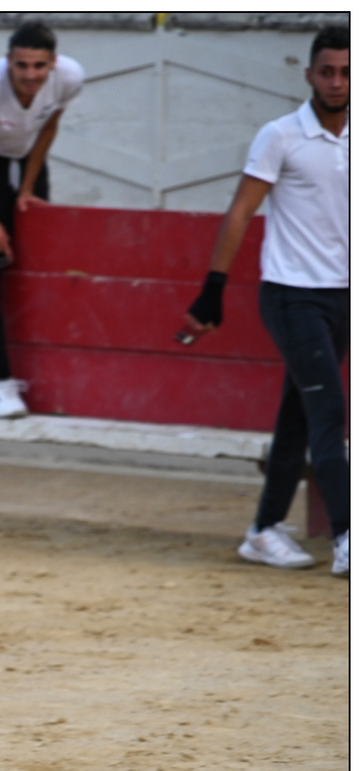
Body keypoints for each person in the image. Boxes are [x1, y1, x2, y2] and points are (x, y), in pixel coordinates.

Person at [182, 25, 348, 577]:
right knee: (329, 412)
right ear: (308, 74)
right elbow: (239, 212)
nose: (336, 82)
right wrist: (214, 285)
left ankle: (263, 530)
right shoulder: (280, 136)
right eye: (327, 71)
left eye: (347, 72)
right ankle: (348, 536)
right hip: (292, 295)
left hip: (346, 297)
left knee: (300, 414)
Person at [0, 20, 85, 419]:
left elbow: (50, 127)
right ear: (8, 61)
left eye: (38, 66)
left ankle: (52, 371)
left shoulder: (71, 77)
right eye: (22, 65)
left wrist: (28, 187)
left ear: (53, 64)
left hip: (29, 159)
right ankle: (0, 385)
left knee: (37, 254)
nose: (30, 75)